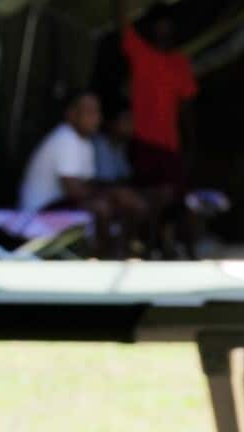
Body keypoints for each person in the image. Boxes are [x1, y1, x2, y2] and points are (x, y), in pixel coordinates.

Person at [18, 90, 147, 259]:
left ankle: (122, 253)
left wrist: (117, 194)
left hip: (61, 203)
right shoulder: (65, 138)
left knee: (123, 201)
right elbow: (74, 190)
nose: (97, 118)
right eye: (90, 112)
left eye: (98, 112)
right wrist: (114, 194)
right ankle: (103, 257)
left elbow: (89, 184)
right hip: (40, 211)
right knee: (102, 206)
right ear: (71, 114)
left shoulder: (84, 142)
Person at [118, 0, 199, 257]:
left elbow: (186, 107)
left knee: (175, 199)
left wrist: (190, 144)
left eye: (168, 26)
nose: (164, 30)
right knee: (151, 199)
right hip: (143, 144)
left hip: (169, 146)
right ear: (152, 28)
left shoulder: (179, 64)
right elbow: (123, 25)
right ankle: (149, 249)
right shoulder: (141, 54)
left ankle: (181, 250)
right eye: (159, 26)